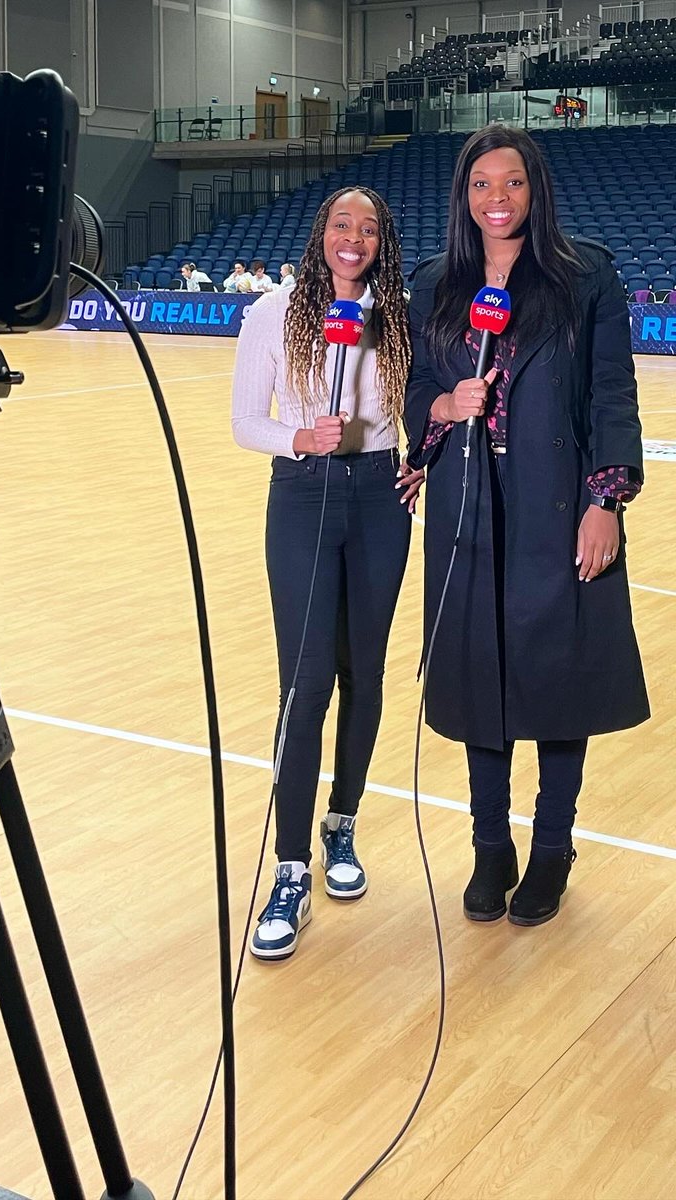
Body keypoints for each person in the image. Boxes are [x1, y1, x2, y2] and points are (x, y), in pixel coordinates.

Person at [405, 125, 649, 927]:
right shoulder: (437, 282)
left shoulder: (584, 277)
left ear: (535, 190)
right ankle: (489, 847)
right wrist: (443, 406)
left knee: (557, 682)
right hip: (469, 500)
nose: (497, 198)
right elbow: (413, 391)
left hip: (558, 500)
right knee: (483, 678)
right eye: (482, 184)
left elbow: (611, 393)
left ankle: (550, 850)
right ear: (463, 197)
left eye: (512, 182)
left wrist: (603, 501)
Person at [232, 187, 423, 960]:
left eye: (369, 227)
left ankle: (341, 825)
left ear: (382, 241)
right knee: (305, 684)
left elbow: (422, 407)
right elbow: (246, 422)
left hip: (381, 495)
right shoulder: (272, 313)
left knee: (364, 677)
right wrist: (299, 436)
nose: (354, 238)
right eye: (342, 224)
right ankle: (289, 868)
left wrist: (425, 460)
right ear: (322, 233)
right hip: (304, 493)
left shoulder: (396, 314)